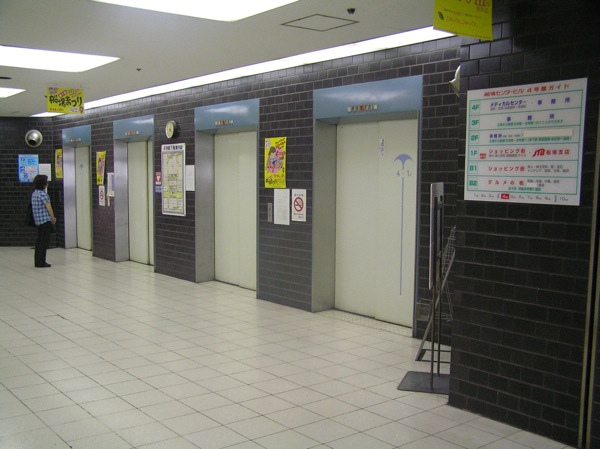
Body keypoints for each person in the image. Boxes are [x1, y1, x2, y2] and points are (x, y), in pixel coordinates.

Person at [31, 174, 57, 268]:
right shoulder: (43, 195)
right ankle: (42, 262)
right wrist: (53, 218)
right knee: (44, 242)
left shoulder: (34, 194)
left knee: (39, 242)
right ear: (43, 183)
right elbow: (49, 208)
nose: (47, 182)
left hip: (38, 221)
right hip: (45, 221)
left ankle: (37, 261)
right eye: (46, 181)